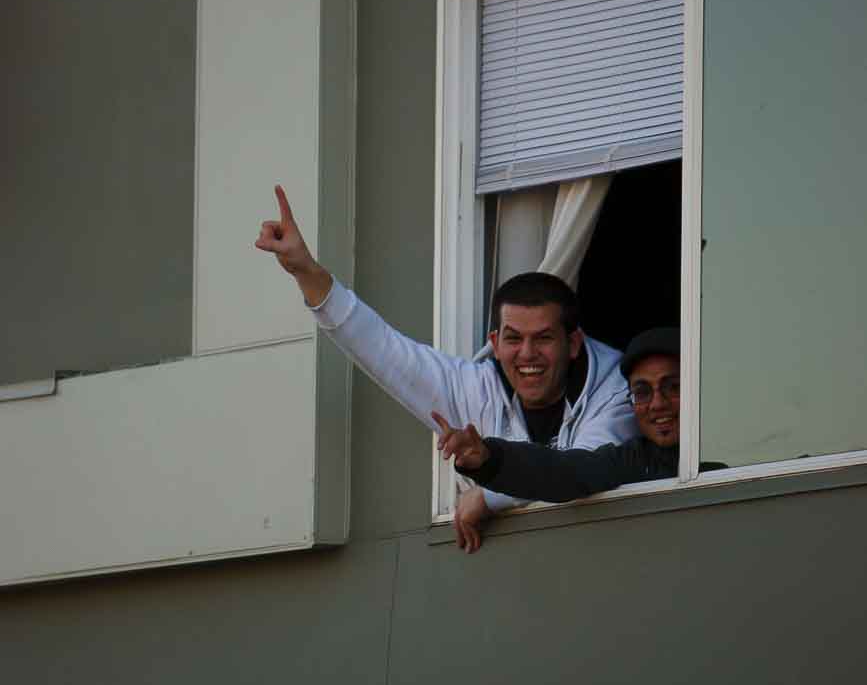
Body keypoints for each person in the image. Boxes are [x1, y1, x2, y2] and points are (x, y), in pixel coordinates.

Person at [255, 185, 636, 550]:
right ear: (494, 344)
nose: (527, 354)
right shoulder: (476, 385)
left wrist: (487, 494)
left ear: (573, 343)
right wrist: (305, 270)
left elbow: (579, 471)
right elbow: (383, 349)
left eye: (544, 338)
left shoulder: (618, 387)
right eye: (514, 339)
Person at [433, 327, 723, 502]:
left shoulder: (736, 452)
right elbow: (562, 472)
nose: (657, 404)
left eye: (672, 387)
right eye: (643, 392)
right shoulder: (633, 460)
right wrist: (489, 458)